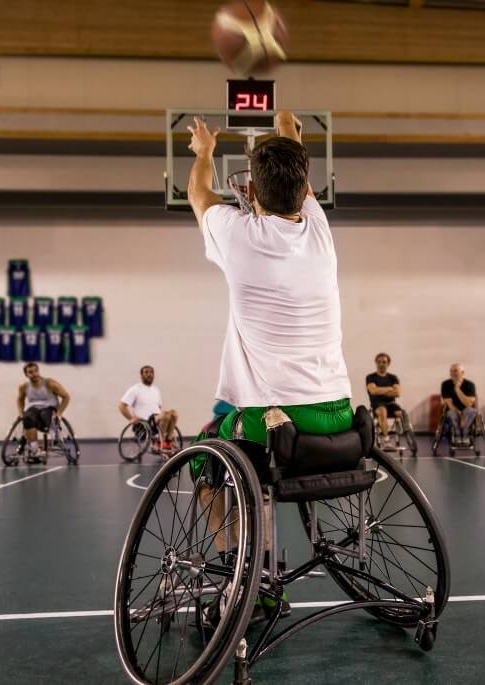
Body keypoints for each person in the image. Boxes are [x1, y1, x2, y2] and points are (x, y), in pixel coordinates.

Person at [188, 110, 353, 616]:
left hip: (278, 423)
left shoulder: (237, 236)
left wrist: (203, 153)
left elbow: (198, 193)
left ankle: (242, 572)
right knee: (245, 444)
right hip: (342, 417)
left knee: (206, 452)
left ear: (251, 196)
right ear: (307, 191)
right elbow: (295, 180)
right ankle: (255, 568)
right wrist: (288, 129)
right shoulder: (320, 233)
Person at [118, 365, 179, 450]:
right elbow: (121, 406)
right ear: (141, 375)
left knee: (174, 413)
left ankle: (168, 439)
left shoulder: (156, 390)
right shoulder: (135, 389)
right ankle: (160, 440)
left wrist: (165, 418)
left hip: (157, 420)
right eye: (146, 372)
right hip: (145, 423)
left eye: (151, 372)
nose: (149, 374)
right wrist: (131, 418)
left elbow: (159, 408)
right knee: (165, 414)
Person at [17, 362, 70, 459]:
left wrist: (59, 414)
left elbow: (66, 397)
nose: (34, 374)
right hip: (34, 409)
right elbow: (20, 399)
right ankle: (35, 449)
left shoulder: (50, 383)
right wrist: (21, 413)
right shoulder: (24, 387)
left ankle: (54, 437)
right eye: (31, 372)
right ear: (26, 375)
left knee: (43, 415)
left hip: (49, 408)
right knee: (27, 418)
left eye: (36, 371)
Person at [365, 352, 406, 445]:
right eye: (379, 362)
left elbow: (397, 393)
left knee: (401, 413)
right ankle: (386, 438)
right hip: (377, 404)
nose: (381, 364)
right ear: (376, 363)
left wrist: (379, 390)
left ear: (388, 364)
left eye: (384, 362)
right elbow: (373, 391)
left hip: (391, 404)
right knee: (382, 411)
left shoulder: (393, 378)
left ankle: (405, 431)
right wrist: (389, 389)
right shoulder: (370, 377)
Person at [440, 363, 477, 441]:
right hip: (452, 409)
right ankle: (457, 434)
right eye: (451, 371)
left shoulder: (470, 385)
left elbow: (468, 403)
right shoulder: (445, 384)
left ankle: (465, 434)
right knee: (452, 414)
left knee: (471, 411)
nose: (453, 373)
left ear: (462, 372)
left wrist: (457, 389)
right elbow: (449, 404)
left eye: (455, 371)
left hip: (466, 409)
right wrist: (461, 416)